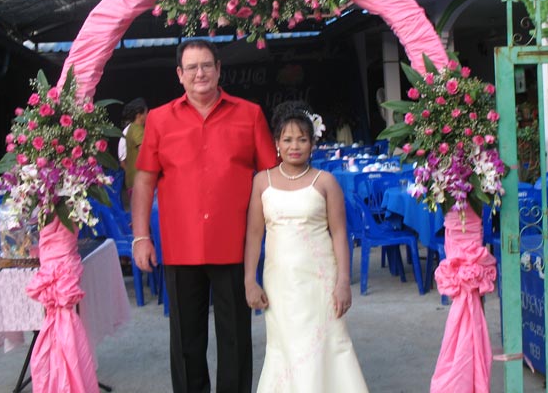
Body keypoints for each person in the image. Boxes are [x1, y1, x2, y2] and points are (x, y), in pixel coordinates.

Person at [131, 39, 277, 393]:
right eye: (192, 67)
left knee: (236, 340)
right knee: (185, 342)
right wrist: (140, 237)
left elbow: (271, 176)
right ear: (180, 75)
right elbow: (144, 180)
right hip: (181, 246)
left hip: (234, 244)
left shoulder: (249, 113)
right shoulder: (160, 119)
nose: (201, 73)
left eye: (207, 65)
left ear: (219, 69)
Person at [243, 101, 369, 392]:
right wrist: (251, 280)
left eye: (302, 139)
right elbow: (253, 235)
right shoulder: (262, 182)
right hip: (280, 283)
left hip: (320, 281)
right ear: (276, 143)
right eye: (287, 139)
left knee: (327, 343)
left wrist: (343, 282)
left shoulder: (325, 182)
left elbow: (339, 234)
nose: (294, 146)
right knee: (284, 347)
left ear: (313, 143)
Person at [122, 97, 148, 196]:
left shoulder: (131, 128)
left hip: (132, 179)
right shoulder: (138, 130)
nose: (147, 115)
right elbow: (144, 151)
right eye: (146, 112)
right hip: (139, 180)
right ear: (139, 115)